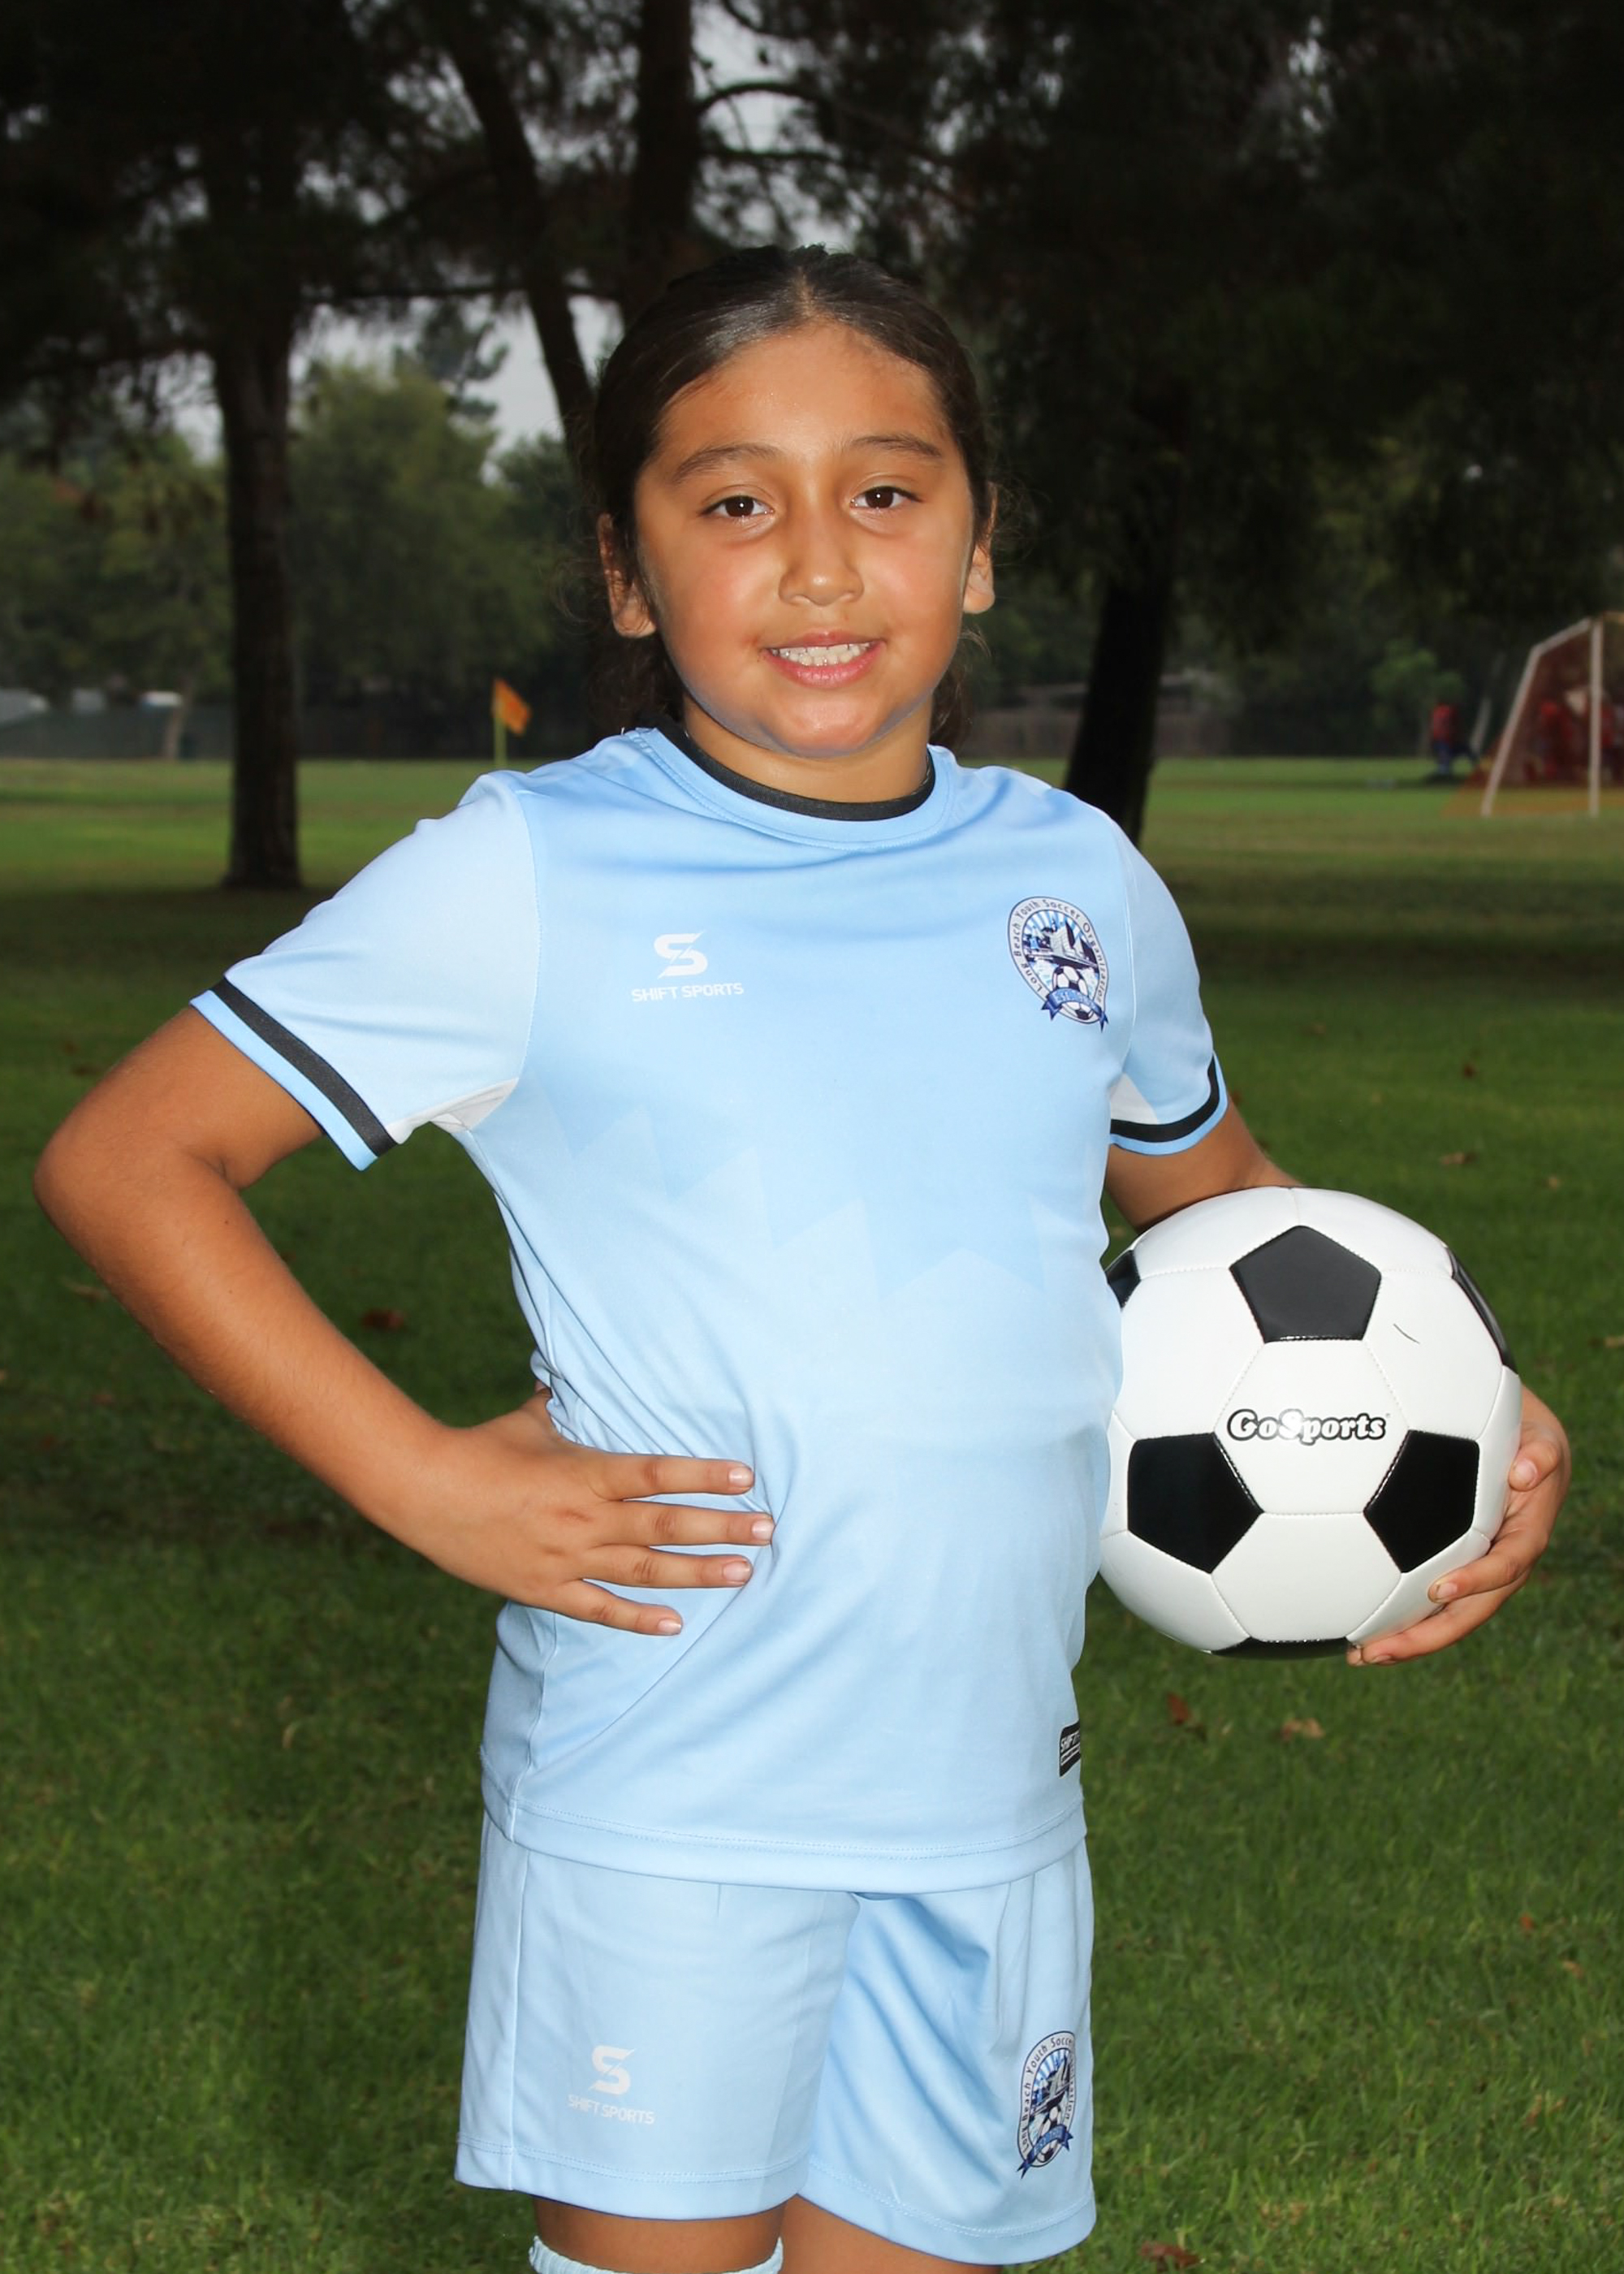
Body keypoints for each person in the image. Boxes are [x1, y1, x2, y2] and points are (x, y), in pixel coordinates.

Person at [33, 248, 1571, 2274]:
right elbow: (130, 1157)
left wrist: (1464, 1396)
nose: (822, 564)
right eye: (737, 501)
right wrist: (423, 1477)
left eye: (887, 491)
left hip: (989, 1785)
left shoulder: (1076, 882)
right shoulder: (529, 874)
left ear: (981, 542)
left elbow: (1224, 1212)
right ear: (626, 569)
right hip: (670, 1777)